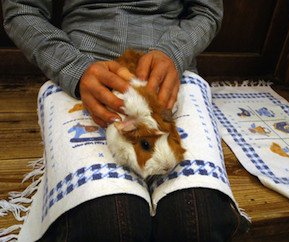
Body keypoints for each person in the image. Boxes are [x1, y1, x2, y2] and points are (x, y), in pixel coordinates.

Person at [2, 0, 249, 241]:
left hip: (171, 73)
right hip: (85, 67)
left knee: (198, 218)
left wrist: (174, 52)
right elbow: (22, 9)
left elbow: (206, 10)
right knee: (109, 221)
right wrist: (75, 68)